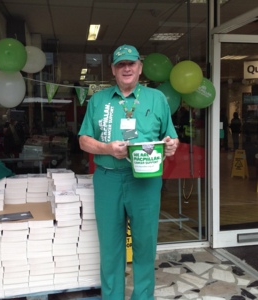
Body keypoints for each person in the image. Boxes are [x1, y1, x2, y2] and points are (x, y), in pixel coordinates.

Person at [78, 44, 179, 300]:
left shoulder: (157, 99)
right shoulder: (99, 99)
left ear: (140, 68)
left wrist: (171, 145)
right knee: (111, 247)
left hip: (145, 181)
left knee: (145, 244)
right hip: (108, 178)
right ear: (113, 69)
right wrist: (107, 148)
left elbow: (170, 136)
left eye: (131, 63)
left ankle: (143, 297)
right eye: (121, 64)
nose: (127, 68)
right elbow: (83, 140)